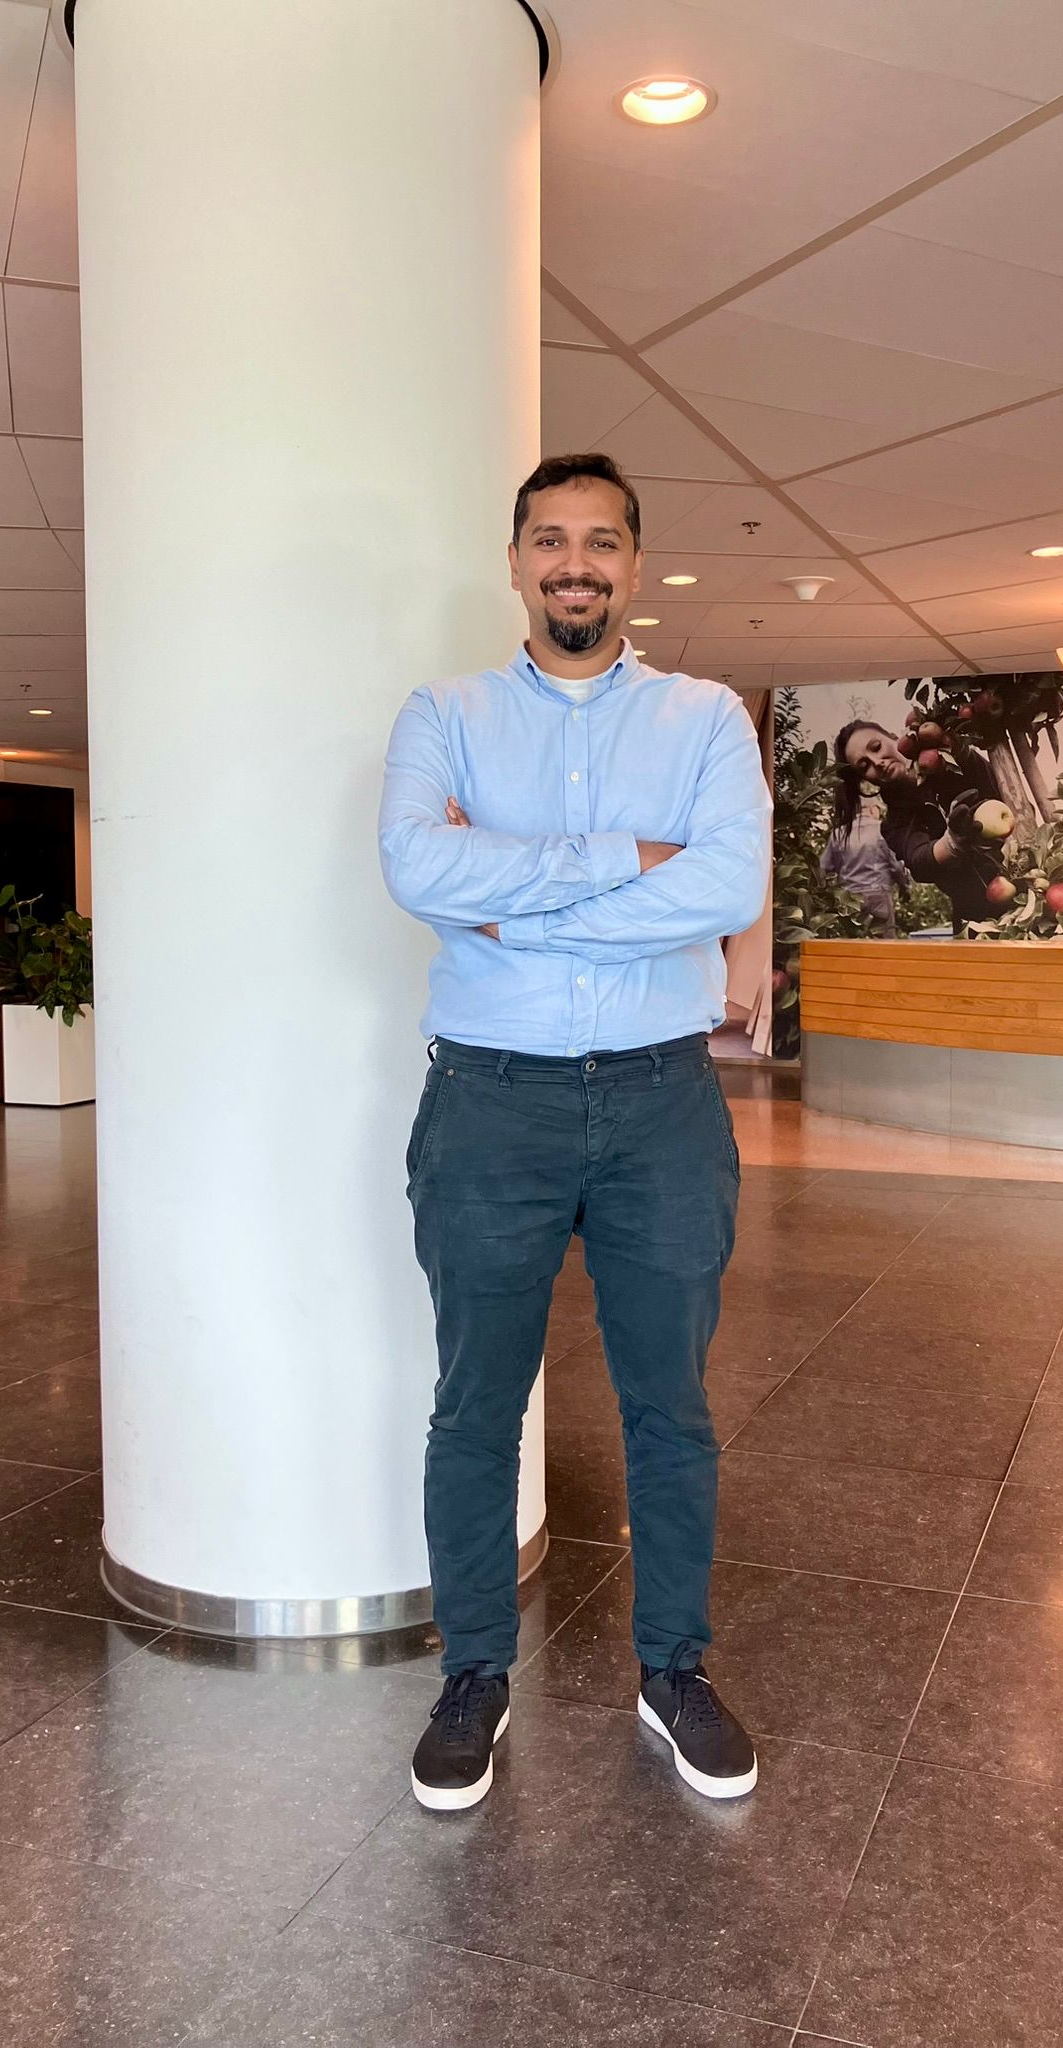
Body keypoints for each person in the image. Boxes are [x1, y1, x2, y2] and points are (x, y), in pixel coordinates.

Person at [379, 452, 771, 1812]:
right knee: (476, 1405)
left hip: (664, 1100)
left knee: (672, 1406)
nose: (575, 563)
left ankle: (676, 1673)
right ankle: (474, 1675)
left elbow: (727, 880)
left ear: (634, 565)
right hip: (492, 1100)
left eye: (601, 540)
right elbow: (418, 868)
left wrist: (520, 891)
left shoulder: (708, 718)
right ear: (516, 562)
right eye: (551, 538)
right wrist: (627, 863)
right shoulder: (446, 712)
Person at [834, 720, 1007, 929]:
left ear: (892, 736)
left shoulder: (949, 763)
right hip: (978, 920)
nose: (876, 762)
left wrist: (957, 747)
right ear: (865, 779)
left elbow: (994, 784)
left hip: (1032, 878)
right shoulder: (895, 825)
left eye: (876, 747)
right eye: (864, 766)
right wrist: (952, 842)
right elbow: (919, 859)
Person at [820, 793, 910, 935]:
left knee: (854, 945)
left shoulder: (839, 833)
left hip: (849, 898)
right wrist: (904, 887)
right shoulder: (882, 830)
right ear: (873, 809)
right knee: (884, 946)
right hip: (878, 895)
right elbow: (896, 865)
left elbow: (823, 868)